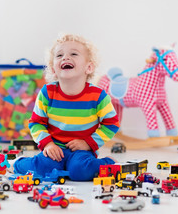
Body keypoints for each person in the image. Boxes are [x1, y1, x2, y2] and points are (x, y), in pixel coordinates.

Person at [13, 34, 120, 181]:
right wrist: (48, 144)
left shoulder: (98, 96)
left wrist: (89, 143)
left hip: (81, 151)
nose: (65, 58)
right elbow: (36, 123)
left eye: (74, 54)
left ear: (88, 67)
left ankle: (108, 162)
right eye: (59, 55)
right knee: (42, 167)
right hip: (54, 148)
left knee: (80, 171)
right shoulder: (47, 93)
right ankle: (17, 163)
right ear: (54, 70)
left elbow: (111, 123)